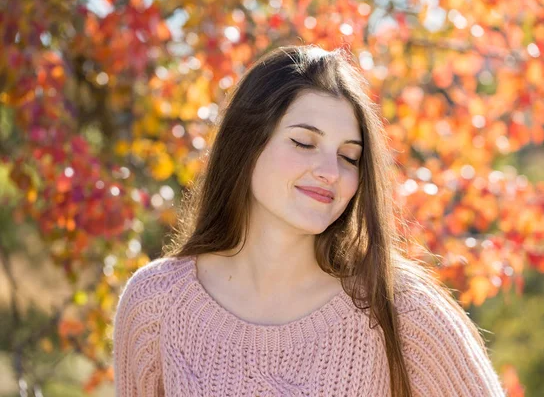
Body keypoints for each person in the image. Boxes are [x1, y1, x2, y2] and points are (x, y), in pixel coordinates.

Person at [112, 45, 507, 397]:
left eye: (349, 157)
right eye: (304, 143)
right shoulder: (156, 303)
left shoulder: (399, 307)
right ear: (246, 144)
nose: (330, 172)